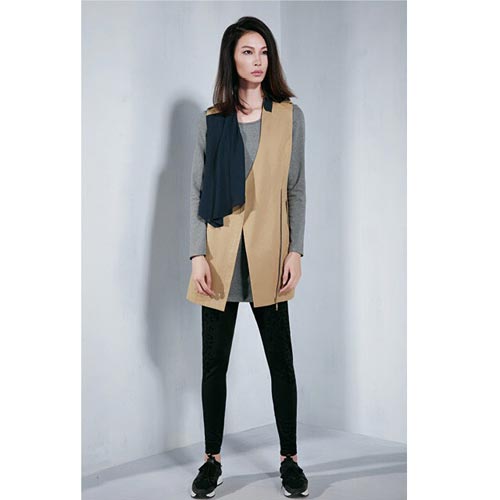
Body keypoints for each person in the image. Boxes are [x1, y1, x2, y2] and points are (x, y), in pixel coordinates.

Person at [187, 16, 308, 498]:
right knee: (213, 364)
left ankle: (289, 459)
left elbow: (296, 190)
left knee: (281, 362)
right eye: (247, 52)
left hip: (269, 255)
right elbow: (197, 191)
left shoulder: (290, 116)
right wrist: (196, 254)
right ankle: (211, 460)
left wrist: (296, 249)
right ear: (232, 59)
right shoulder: (212, 119)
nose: (258, 61)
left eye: (263, 52)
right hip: (219, 257)